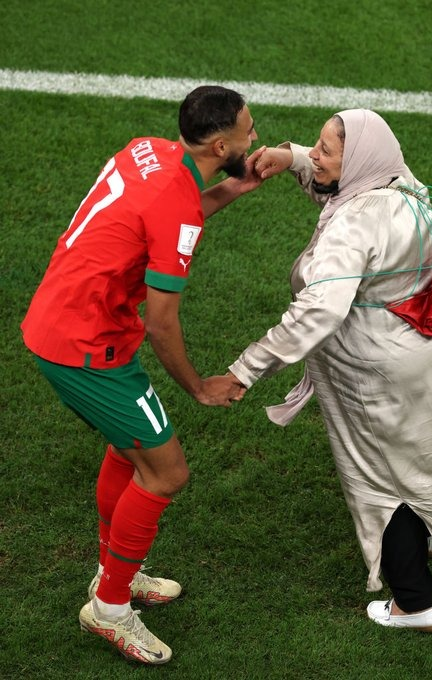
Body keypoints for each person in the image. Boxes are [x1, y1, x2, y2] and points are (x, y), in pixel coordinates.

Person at [20, 85, 262, 664]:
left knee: (129, 452)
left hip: (65, 319)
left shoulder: (148, 149)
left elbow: (166, 214)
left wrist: (236, 186)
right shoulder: (176, 206)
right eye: (249, 132)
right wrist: (198, 386)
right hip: (85, 347)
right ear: (221, 145)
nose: (255, 138)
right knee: (166, 473)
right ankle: (108, 608)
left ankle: (116, 575)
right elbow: (160, 322)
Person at [229, 109, 432, 633]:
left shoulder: (353, 223)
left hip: (378, 369)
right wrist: (293, 158)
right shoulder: (399, 180)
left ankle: (415, 605)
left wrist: (246, 369)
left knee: (383, 480)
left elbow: (319, 311)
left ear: (360, 160)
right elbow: (342, 182)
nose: (316, 155)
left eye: (326, 150)